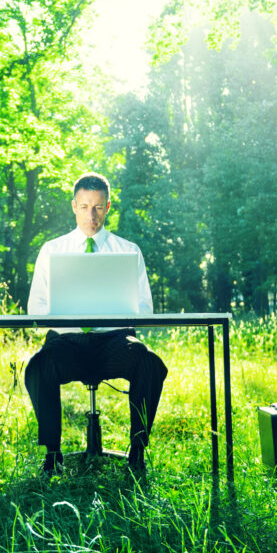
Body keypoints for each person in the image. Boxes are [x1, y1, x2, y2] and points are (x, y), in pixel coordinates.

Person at [24, 172, 167, 475]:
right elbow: (35, 307)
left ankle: (137, 452)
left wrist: (116, 310)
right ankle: (52, 454)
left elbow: (145, 307)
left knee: (150, 363)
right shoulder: (52, 251)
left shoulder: (128, 251)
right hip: (68, 344)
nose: (92, 214)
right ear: (74, 206)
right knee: (38, 366)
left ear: (108, 207)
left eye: (98, 207)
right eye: (85, 206)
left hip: (114, 343)